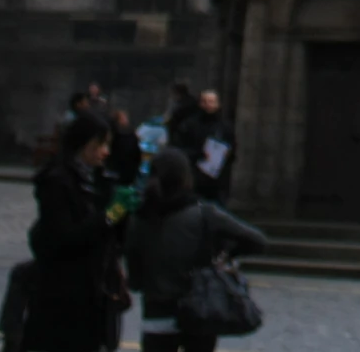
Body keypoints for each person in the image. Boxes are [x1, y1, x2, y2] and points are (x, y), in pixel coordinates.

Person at [124, 149, 266, 352]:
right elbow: (257, 240)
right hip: (199, 309)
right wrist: (224, 254)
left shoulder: (139, 218)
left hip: (157, 312)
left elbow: (135, 278)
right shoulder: (203, 214)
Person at [22, 112, 125, 352]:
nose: (105, 152)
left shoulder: (96, 180)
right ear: (84, 144)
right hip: (62, 293)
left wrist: (119, 214)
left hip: (90, 292)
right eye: (100, 145)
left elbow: (111, 236)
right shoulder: (59, 181)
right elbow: (65, 235)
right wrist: (110, 216)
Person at [172, 91, 233, 203]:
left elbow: (232, 150)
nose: (208, 105)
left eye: (211, 102)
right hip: (195, 177)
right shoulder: (189, 125)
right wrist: (199, 154)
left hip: (217, 180)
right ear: (200, 104)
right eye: (205, 101)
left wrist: (228, 154)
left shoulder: (225, 127)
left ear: (218, 104)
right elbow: (180, 149)